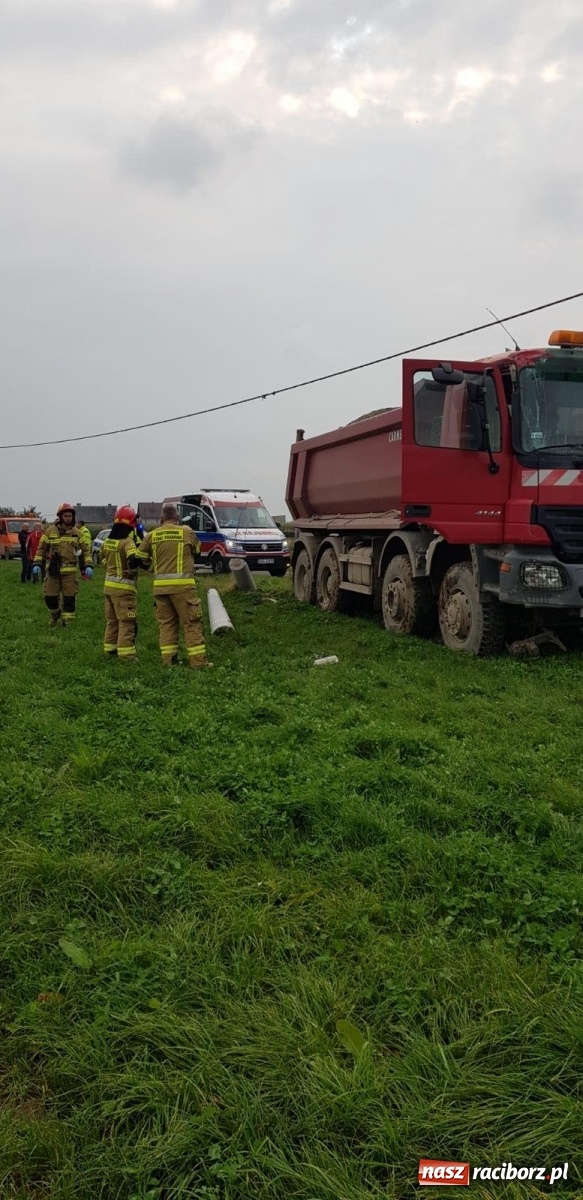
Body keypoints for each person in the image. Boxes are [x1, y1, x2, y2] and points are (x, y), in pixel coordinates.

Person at [128, 502, 209, 668]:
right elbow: (198, 552)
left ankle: (169, 662)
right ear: (177, 518)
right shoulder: (186, 532)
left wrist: (152, 566)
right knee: (192, 622)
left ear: (161, 519)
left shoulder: (152, 535)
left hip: (160, 588)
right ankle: (198, 663)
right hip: (183, 588)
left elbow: (139, 557)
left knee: (167, 624)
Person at [32, 503, 93, 626]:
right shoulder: (50, 531)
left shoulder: (77, 533)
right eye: (66, 515)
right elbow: (41, 549)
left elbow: (85, 551)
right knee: (50, 598)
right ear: (60, 516)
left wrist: (89, 565)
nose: (68, 518)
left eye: (70, 516)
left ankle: (67, 623)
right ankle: (55, 614)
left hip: (69, 573)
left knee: (69, 600)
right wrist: (37, 563)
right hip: (54, 571)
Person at [100, 505, 140, 661]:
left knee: (112, 621)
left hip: (108, 587)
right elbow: (133, 559)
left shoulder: (108, 541)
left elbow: (103, 558)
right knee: (126, 621)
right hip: (124, 589)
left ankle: (110, 649)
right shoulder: (127, 542)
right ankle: (127, 655)